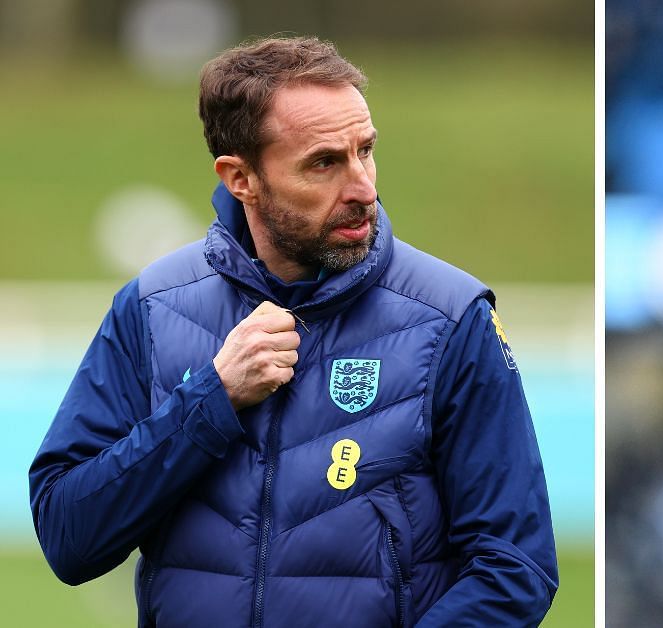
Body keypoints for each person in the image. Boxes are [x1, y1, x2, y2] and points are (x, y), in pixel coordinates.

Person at [29, 36, 557, 627]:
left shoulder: (451, 318)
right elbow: (66, 537)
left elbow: (515, 568)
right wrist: (211, 400)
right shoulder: (152, 308)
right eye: (325, 163)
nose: (363, 189)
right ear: (241, 178)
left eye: (366, 151)